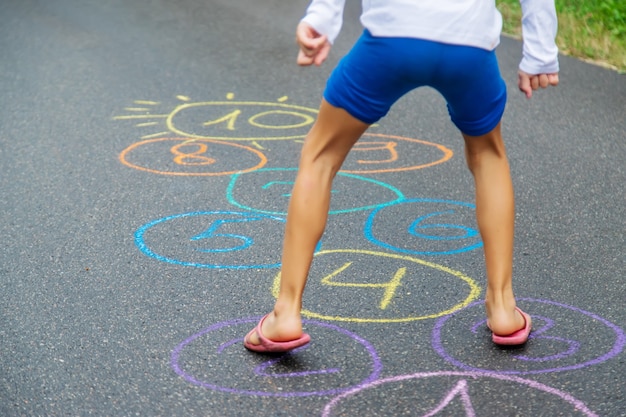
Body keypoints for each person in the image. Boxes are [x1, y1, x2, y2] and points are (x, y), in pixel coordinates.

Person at [244, 0, 559, 352]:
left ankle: (286, 312)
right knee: (488, 155)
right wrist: (540, 51)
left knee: (320, 156)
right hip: (468, 43)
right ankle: (502, 306)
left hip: (392, 38)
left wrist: (322, 18)